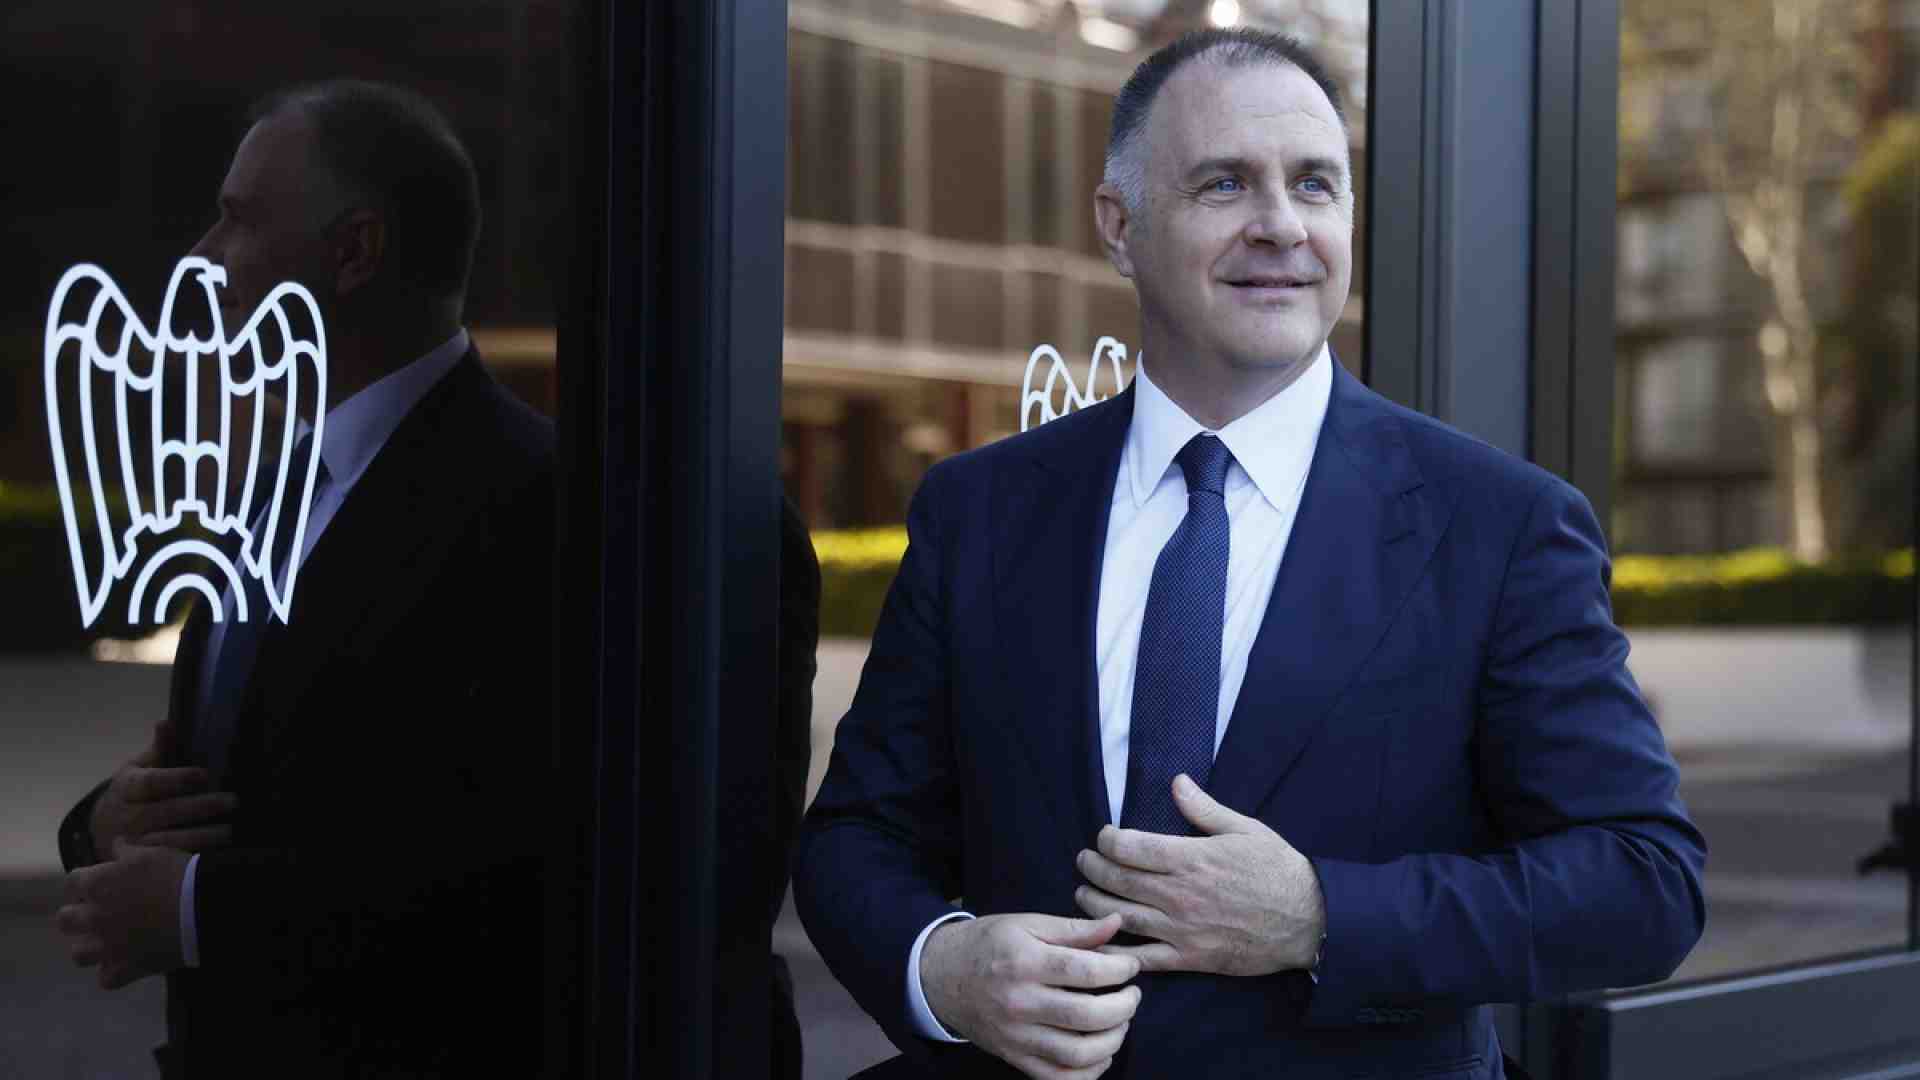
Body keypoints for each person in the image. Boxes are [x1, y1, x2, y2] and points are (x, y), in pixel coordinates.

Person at [793, 28, 1706, 1080]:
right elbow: (857, 837)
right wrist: (944, 967)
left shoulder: (1500, 526)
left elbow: (1643, 882)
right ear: (1119, 226)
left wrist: (1321, 914)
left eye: (1315, 184)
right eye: (1224, 183)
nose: (1281, 225)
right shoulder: (980, 509)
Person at [53, 80, 555, 1077]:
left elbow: (512, 864)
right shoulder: (272, 485)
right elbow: (251, 774)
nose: (204, 256)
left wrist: (196, 913)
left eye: (239, 219)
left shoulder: (535, 502)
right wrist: (105, 821)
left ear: (354, 251)